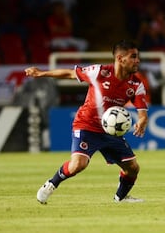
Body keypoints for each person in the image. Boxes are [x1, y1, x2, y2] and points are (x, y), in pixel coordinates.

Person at [25, 40, 149, 203]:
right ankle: (51, 183)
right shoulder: (99, 72)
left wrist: (142, 120)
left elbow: (142, 111)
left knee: (132, 168)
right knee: (78, 165)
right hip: (86, 125)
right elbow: (70, 73)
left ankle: (120, 197)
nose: (137, 60)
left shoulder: (136, 83)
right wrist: (41, 73)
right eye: (133, 57)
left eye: (137, 56)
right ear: (120, 58)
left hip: (110, 130)